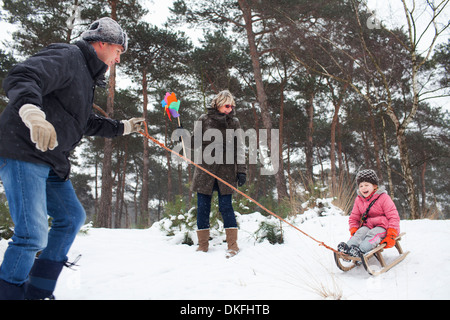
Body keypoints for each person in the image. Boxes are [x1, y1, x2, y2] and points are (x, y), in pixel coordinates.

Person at [0, 17, 144, 300]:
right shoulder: (69, 56)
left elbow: (83, 123)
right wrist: (32, 113)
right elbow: (23, 75)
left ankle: (38, 291)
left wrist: (124, 126)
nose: (118, 58)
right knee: (32, 235)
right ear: (102, 43)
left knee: (70, 217)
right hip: (23, 149)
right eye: (118, 51)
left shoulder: (86, 77)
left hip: (50, 158)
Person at [189, 90, 246, 258]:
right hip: (205, 171)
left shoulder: (234, 123)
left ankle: (232, 245)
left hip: (226, 171)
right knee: (203, 208)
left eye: (232, 106)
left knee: (226, 207)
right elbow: (194, 143)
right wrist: (183, 137)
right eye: (227, 105)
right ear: (218, 104)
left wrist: (241, 171)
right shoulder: (204, 120)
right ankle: (202, 246)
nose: (230, 109)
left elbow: (240, 148)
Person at [338, 169, 400, 258]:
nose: (363, 188)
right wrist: (354, 230)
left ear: (374, 186)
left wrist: (392, 234)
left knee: (373, 234)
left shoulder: (384, 198)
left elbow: (393, 216)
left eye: (366, 185)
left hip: (384, 227)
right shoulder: (359, 200)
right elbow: (354, 217)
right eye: (361, 186)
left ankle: (362, 250)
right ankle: (348, 249)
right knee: (360, 232)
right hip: (368, 226)